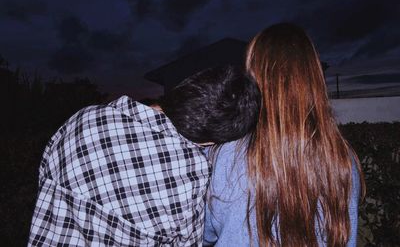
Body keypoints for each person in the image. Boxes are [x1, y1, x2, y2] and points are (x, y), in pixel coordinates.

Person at [28, 65, 260, 246]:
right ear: (210, 141)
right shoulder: (189, 172)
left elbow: (43, 181)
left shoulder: (84, 118)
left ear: (186, 87)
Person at [204, 24, 365, 247]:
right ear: (313, 78)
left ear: (254, 77)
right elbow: (348, 238)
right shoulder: (340, 157)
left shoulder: (226, 155)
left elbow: (205, 233)